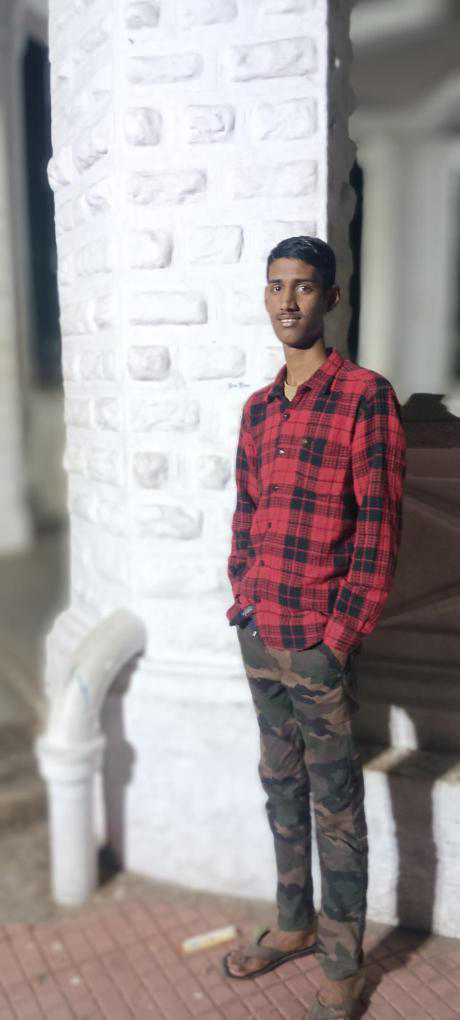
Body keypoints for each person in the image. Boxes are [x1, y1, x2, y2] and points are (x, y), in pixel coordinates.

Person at [223, 236, 406, 1020]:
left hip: (318, 643)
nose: (287, 301)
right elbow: (246, 511)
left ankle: (342, 962)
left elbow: (379, 534)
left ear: (331, 297)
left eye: (303, 287)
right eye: (276, 287)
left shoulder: (365, 397)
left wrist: (339, 639)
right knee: (280, 786)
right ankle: (294, 922)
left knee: (335, 804)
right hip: (260, 631)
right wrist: (242, 596)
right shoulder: (258, 410)